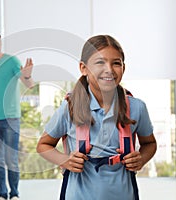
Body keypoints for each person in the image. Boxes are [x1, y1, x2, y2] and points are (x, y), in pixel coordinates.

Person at [36, 35, 157, 200]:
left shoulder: (136, 107)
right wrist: (64, 160)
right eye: (100, 62)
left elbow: (149, 143)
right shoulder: (69, 108)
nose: (109, 69)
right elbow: (43, 145)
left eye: (116, 63)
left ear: (123, 67)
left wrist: (141, 159)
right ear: (83, 68)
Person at [0, 30, 34, 200]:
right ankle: (2, 194)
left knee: (11, 159)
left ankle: (15, 194)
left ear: (0, 43)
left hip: (11, 117)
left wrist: (28, 74)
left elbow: (29, 83)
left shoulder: (12, 60)